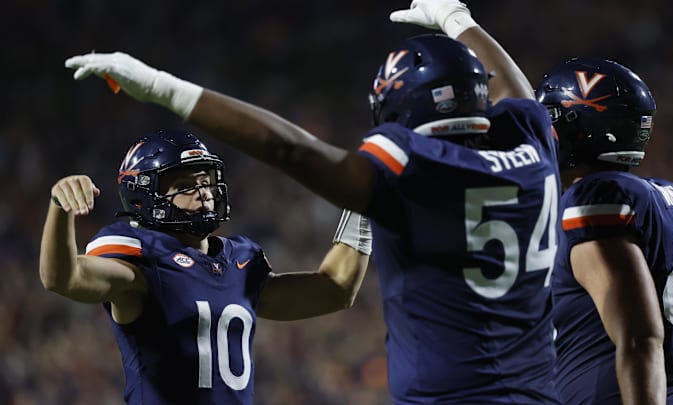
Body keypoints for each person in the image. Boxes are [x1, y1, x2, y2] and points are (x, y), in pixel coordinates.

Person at [64, 1, 562, 402]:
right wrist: (461, 21)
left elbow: (291, 150)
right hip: (540, 391)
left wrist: (162, 87)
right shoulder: (534, 151)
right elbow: (521, 102)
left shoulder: (412, 164)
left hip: (451, 394)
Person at [39, 129, 372, 404]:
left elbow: (335, 289)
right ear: (144, 198)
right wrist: (59, 207)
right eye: (184, 186)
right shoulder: (142, 260)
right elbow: (62, 277)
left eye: (206, 180)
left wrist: (363, 203)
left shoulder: (240, 259)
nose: (203, 193)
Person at [536, 57, 673, 404]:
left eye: (551, 120)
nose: (543, 133)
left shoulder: (594, 198)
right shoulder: (666, 197)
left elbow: (640, 337)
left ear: (578, 127)